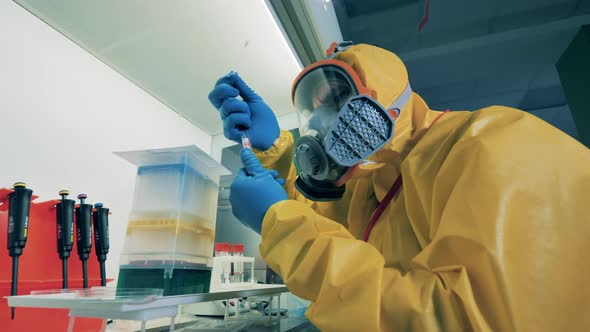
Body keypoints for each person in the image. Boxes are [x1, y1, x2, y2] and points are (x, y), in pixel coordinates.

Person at [208, 42, 590, 331]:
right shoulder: (376, 182)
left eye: (339, 98)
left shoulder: (491, 142)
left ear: (381, 93)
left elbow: (470, 320)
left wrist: (278, 223)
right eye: (316, 112)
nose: (326, 123)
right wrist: (274, 150)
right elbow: (332, 231)